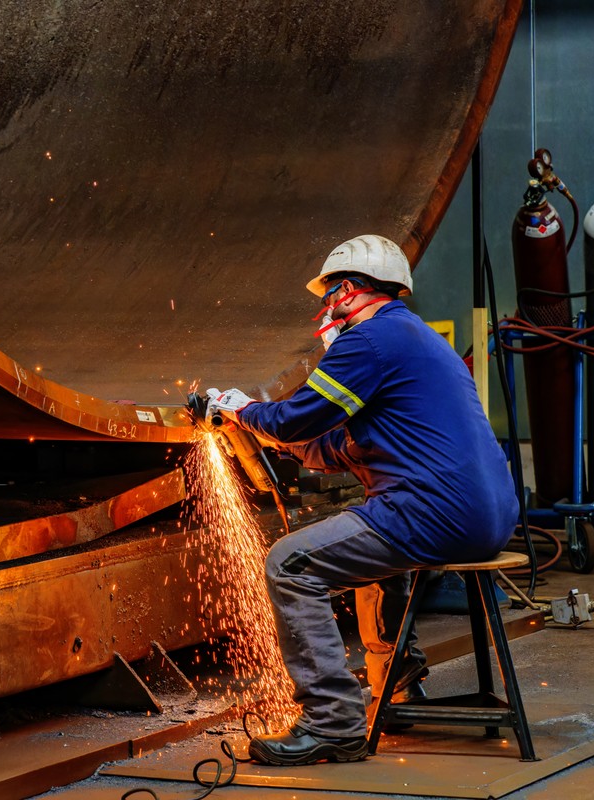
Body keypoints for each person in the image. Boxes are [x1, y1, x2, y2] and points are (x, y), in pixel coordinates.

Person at [206, 234, 519, 766]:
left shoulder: (368, 340)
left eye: (329, 297)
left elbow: (296, 417)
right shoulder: (414, 338)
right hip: (489, 514)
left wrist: (240, 408)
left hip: (432, 511)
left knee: (289, 562)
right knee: (369, 549)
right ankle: (400, 687)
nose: (324, 312)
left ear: (349, 291)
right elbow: (334, 445)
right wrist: (269, 436)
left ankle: (332, 723)